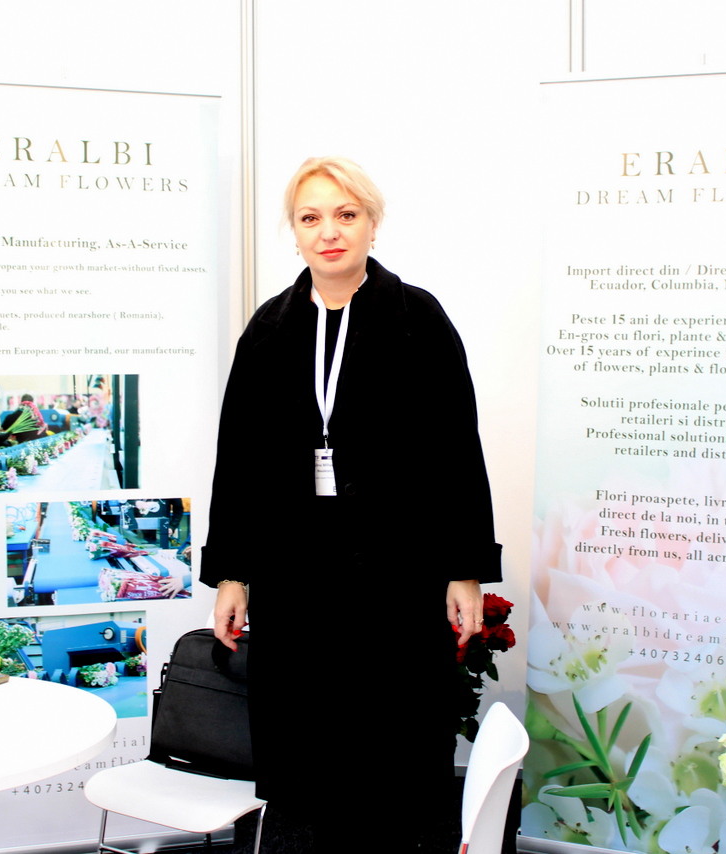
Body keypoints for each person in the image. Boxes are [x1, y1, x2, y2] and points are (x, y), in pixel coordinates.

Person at [202, 156, 500, 852]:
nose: (328, 232)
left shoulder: (418, 318)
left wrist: (465, 569)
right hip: (295, 569)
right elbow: (238, 458)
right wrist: (233, 574)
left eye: (345, 215)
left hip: (398, 566)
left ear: (372, 223)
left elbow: (458, 448)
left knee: (397, 742)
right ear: (295, 232)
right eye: (311, 218)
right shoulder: (270, 328)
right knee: (305, 749)